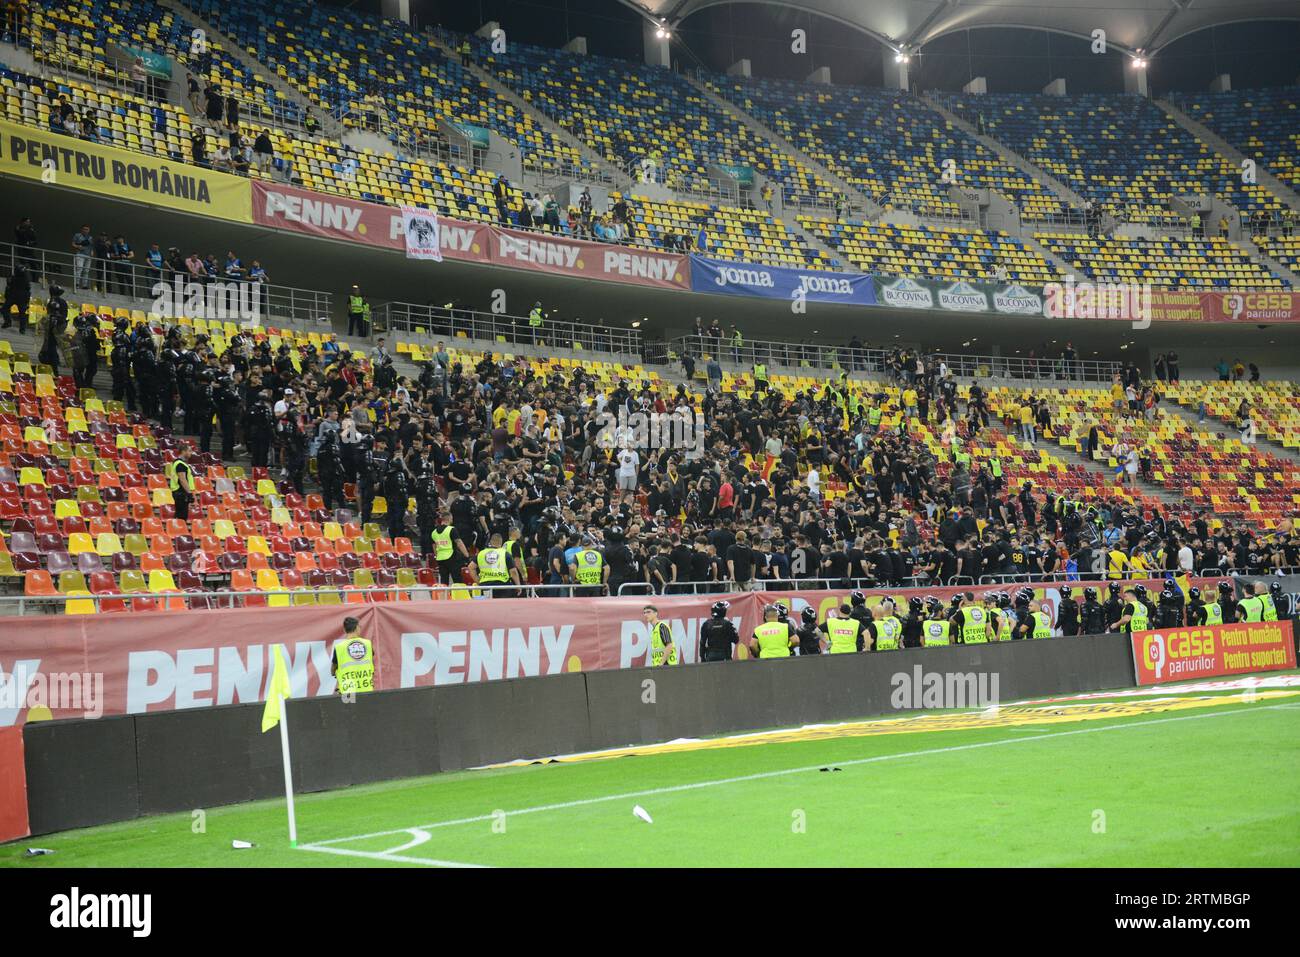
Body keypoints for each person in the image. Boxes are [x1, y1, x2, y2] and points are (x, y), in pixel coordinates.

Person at [331, 617, 375, 696]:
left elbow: (333, 669)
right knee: (367, 708)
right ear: (357, 627)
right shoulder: (367, 644)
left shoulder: (339, 647)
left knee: (348, 708)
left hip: (348, 693)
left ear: (345, 630)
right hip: (367, 690)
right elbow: (371, 661)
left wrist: (335, 674)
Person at [471, 531, 520, 597]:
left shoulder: (481, 553)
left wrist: (478, 581)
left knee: (487, 605)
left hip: (485, 586)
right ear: (501, 543)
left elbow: (471, 567)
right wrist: (518, 586)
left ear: (490, 542)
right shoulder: (505, 554)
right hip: (502, 586)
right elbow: (513, 572)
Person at [166, 447, 194, 521]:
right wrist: (189, 493)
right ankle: (178, 531)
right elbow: (182, 479)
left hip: (179, 492)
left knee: (180, 515)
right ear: (183, 451)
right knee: (181, 517)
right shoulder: (180, 464)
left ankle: (177, 531)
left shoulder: (179, 463)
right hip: (181, 492)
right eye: (189, 451)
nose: (191, 453)